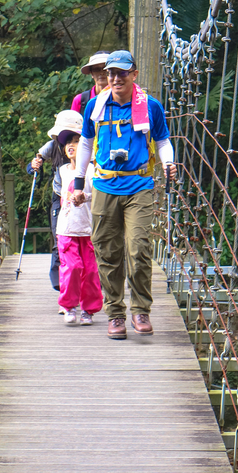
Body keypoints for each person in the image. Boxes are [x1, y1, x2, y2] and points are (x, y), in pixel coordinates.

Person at [71, 49, 176, 340]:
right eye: (111, 73)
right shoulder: (95, 105)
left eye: (122, 73)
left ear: (134, 74)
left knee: (138, 248)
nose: (115, 78)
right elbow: (86, 143)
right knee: (107, 251)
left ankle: (140, 310)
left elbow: (163, 140)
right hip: (105, 185)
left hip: (138, 184)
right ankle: (115, 314)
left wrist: (168, 162)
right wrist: (79, 183)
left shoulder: (150, 106)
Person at [53, 118, 102, 326]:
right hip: (66, 228)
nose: (71, 145)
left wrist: (85, 197)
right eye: (68, 142)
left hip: (88, 229)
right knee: (72, 267)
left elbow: (99, 195)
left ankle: (88, 310)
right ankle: (69, 306)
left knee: (90, 271)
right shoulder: (62, 171)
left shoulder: (95, 170)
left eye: (77, 141)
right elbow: (61, 195)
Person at [29, 111, 80, 291]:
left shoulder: (86, 145)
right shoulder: (53, 146)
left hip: (82, 196)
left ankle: (80, 276)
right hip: (60, 195)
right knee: (59, 234)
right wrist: (34, 165)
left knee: (83, 236)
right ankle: (60, 281)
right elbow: (37, 160)